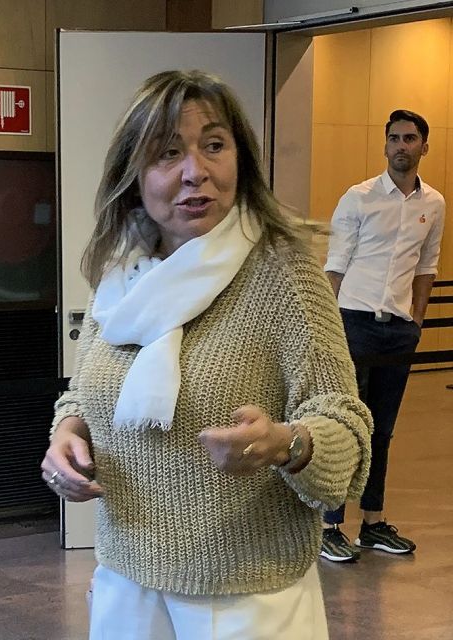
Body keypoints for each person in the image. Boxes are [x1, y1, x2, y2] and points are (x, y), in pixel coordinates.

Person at [41, 70, 372, 639]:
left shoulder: (283, 273)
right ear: (134, 175)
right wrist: (67, 432)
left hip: (247, 593)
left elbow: (346, 424)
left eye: (214, 145)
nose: (196, 171)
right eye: (168, 153)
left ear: (240, 159)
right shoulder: (120, 277)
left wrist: (287, 443)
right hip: (127, 577)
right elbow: (83, 393)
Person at [320, 109, 445, 562]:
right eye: (393, 138)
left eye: (409, 138)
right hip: (353, 324)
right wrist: (328, 327)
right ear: (385, 145)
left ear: (424, 146)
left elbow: (427, 265)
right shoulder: (358, 197)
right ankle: (329, 526)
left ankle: (372, 524)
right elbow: (335, 266)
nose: (400, 146)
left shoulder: (434, 203)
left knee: (382, 430)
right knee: (345, 427)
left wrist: (417, 321)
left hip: (398, 333)